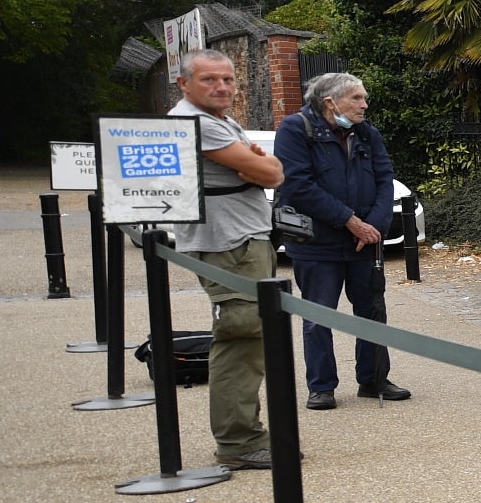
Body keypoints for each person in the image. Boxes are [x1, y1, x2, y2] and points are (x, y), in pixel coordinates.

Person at [165, 50, 284, 470]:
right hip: (230, 243)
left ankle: (246, 435)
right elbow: (271, 174)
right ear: (184, 83)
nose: (221, 88)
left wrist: (259, 162)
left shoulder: (216, 121)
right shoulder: (196, 122)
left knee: (251, 336)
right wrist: (260, 165)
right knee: (241, 336)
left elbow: (266, 165)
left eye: (228, 80)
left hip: (242, 238)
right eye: (209, 80)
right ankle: (238, 442)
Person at [272, 71, 409, 410]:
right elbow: (298, 186)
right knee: (319, 316)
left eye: (364, 98)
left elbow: (385, 178)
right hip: (317, 244)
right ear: (331, 102)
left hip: (364, 243)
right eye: (357, 98)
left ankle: (374, 378)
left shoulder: (367, 133)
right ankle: (321, 387)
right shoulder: (294, 129)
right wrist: (351, 222)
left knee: (372, 311)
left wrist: (372, 227)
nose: (365, 104)